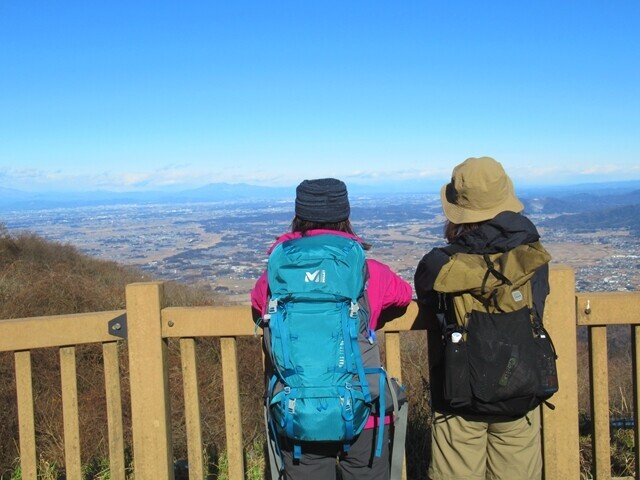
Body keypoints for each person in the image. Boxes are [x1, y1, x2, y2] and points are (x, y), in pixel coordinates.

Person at [252, 177, 412, 480]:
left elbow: (258, 301)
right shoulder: (367, 271)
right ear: (345, 216)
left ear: (298, 217)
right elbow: (403, 294)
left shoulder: (277, 275)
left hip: (298, 411)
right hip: (364, 408)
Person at [414, 157, 550, 480]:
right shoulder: (535, 259)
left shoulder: (439, 264)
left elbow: (424, 290)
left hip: (459, 400)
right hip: (520, 391)